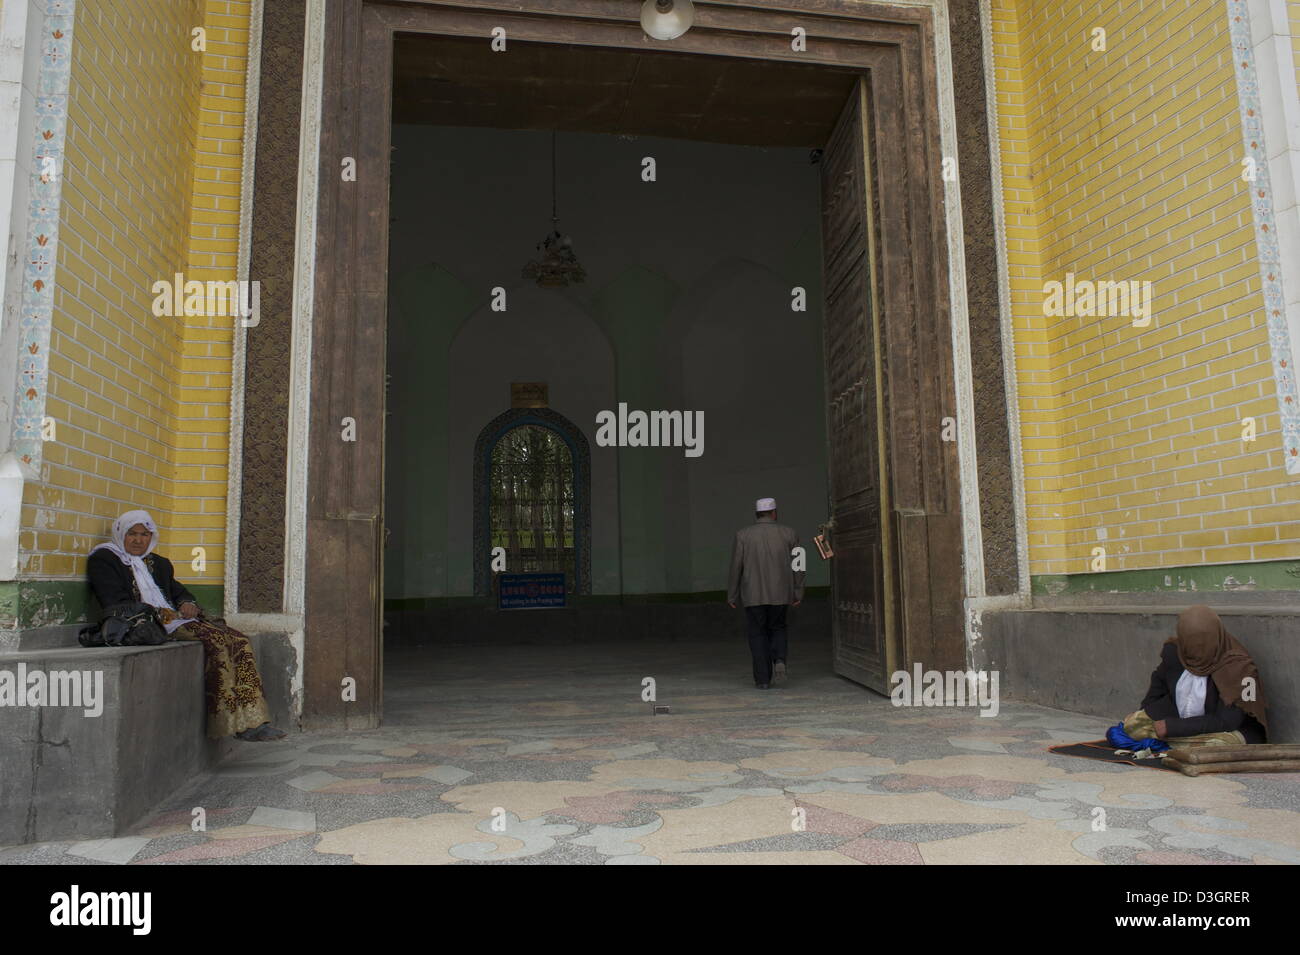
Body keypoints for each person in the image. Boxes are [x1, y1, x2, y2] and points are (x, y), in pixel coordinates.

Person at [87, 509, 287, 742]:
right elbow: (113, 601)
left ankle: (254, 719)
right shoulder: (104, 560)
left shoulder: (158, 563)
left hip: (174, 621)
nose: (138, 540)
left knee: (241, 642)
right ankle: (230, 722)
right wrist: (160, 613)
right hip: (142, 626)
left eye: (144, 534)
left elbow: (178, 591)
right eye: (132, 534)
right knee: (219, 642)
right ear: (121, 533)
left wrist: (187, 603)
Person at [1126, 604, 1268, 745]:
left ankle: (1173, 742)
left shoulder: (1239, 667)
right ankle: (1180, 744)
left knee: (1217, 745)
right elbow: (1156, 690)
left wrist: (1172, 727)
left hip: (1226, 729)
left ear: (1216, 635)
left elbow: (1228, 721)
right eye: (1191, 642)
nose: (1198, 649)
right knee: (1132, 726)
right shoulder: (1176, 653)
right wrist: (1143, 714)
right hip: (1180, 720)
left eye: (1204, 641)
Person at [727, 497, 805, 689]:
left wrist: (732, 594)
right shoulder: (789, 533)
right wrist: (798, 591)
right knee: (778, 627)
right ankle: (779, 659)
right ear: (774, 513)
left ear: (756, 514)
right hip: (781, 593)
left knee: (757, 633)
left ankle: (762, 680)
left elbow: (736, 567)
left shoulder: (743, 535)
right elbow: (799, 565)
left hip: (753, 595)